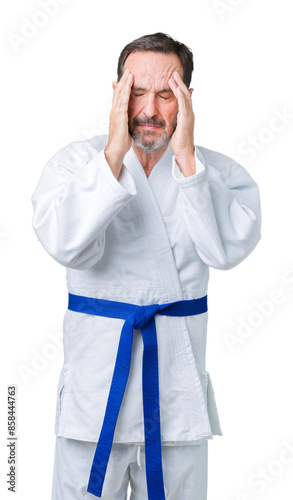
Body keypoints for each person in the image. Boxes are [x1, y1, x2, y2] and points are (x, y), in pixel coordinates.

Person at [31, 32, 262, 500]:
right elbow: (65, 245)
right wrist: (112, 156)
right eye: (136, 92)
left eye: (166, 93)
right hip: (95, 393)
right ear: (117, 93)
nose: (150, 109)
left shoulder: (217, 174)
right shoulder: (75, 165)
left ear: (187, 100)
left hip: (176, 391)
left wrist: (187, 161)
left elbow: (226, 253)